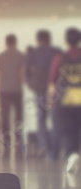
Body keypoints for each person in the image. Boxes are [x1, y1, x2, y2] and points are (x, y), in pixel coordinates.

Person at [48, 28, 81, 173]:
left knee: (67, 130)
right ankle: (75, 153)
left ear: (66, 41)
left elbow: (52, 81)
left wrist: (51, 100)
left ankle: (71, 154)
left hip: (65, 100)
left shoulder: (60, 57)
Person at [26, 30, 62, 158]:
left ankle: (43, 146)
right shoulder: (56, 51)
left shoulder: (33, 53)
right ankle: (55, 148)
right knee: (55, 118)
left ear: (38, 40)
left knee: (41, 118)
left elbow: (27, 72)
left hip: (39, 88)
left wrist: (30, 83)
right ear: (49, 39)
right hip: (56, 88)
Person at [0, 34, 26, 152]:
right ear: (15, 42)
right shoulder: (21, 56)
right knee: (19, 115)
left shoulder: (0, 57)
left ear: (6, 43)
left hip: (4, 90)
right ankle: (19, 138)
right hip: (17, 90)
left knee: (5, 116)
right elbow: (22, 74)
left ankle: (7, 140)